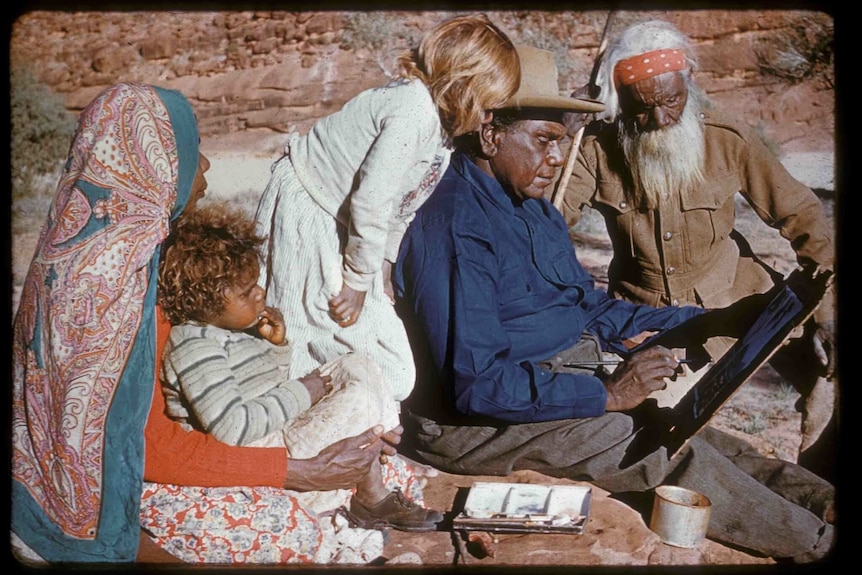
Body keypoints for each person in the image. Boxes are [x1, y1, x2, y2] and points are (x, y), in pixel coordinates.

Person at [393, 45, 835, 563]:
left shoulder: (531, 208)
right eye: (545, 140)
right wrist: (604, 394)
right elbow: (478, 385)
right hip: (471, 427)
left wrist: (705, 320)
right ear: (490, 134)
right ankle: (817, 546)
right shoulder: (454, 228)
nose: (557, 159)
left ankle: (821, 502)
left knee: (690, 431)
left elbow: (586, 309)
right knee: (643, 445)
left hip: (544, 379)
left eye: (562, 141)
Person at [10, 82, 426, 565]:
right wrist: (296, 471)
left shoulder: (150, 254)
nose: (204, 165)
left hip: (219, 435)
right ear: (150, 163)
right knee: (282, 527)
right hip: (130, 484)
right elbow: (153, 450)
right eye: (194, 152)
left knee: (382, 465)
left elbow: (229, 377)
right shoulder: (107, 289)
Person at [558, 20, 837, 480]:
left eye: (671, 100)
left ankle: (823, 482)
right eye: (642, 109)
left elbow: (804, 217)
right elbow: (548, 222)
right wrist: (570, 133)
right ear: (620, 103)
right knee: (652, 428)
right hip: (645, 319)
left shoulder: (727, 139)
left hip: (740, 301)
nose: (661, 119)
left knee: (828, 371)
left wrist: (829, 310)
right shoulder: (594, 150)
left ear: (687, 82)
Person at [254, 13, 521, 404]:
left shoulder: (439, 132)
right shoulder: (412, 112)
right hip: (309, 203)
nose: (487, 119)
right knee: (302, 320)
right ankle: (292, 423)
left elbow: (404, 205)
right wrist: (358, 279)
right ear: (462, 86)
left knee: (387, 354)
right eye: (486, 106)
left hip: (343, 220)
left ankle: (353, 417)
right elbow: (372, 199)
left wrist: (383, 266)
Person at [153, 200, 441, 536]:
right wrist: (305, 391)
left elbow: (267, 385)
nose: (260, 294)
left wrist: (277, 347)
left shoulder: (230, 328)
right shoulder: (195, 346)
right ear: (204, 299)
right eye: (247, 292)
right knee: (353, 398)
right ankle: (371, 493)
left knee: (355, 364)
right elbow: (233, 428)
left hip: (274, 429)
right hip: (254, 449)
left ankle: (377, 442)